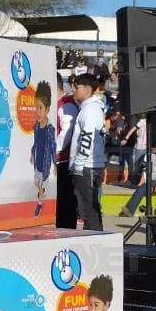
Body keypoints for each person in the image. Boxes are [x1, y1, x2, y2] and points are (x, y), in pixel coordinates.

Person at [67, 73, 106, 230]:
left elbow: (87, 138)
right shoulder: (89, 108)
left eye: (77, 87)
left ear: (88, 90)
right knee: (89, 210)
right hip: (89, 166)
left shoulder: (90, 110)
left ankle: (96, 245)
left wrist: (78, 166)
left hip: (86, 167)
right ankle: (96, 242)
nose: (73, 90)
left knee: (89, 211)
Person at [119, 145, 156, 218]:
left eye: (154, 147)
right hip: (150, 180)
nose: (151, 148)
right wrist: (148, 183)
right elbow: (144, 170)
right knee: (140, 190)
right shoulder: (147, 156)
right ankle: (128, 210)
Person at [55, 74, 79, 229]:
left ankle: (67, 233)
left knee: (65, 203)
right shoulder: (57, 103)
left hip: (64, 161)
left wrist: (53, 151)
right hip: (58, 160)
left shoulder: (66, 105)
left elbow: (66, 133)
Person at [30, 81, 55, 218]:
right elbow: (35, 142)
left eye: (40, 108)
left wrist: (55, 163)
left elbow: (52, 146)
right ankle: (41, 190)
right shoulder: (36, 126)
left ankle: (39, 204)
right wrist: (31, 153)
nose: (37, 112)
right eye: (36, 108)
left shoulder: (49, 129)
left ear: (47, 109)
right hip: (37, 160)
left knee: (39, 183)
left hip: (45, 162)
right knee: (36, 182)